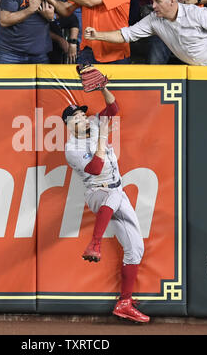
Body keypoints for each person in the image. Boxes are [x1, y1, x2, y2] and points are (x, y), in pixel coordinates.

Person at [61, 85, 149, 323]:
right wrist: (101, 135)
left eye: (82, 114)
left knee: (136, 248)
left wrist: (103, 88)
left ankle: (124, 302)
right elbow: (96, 168)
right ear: (69, 126)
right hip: (97, 194)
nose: (82, 118)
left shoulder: (94, 123)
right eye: (76, 117)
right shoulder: (72, 148)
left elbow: (113, 108)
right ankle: (95, 243)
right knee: (111, 196)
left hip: (117, 190)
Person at [84, 0, 207, 66]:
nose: (153, 6)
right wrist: (97, 35)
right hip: (194, 69)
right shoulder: (154, 19)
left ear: (172, 1)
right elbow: (125, 34)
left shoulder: (196, 14)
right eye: (152, 1)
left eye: (158, 1)